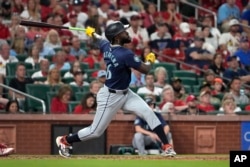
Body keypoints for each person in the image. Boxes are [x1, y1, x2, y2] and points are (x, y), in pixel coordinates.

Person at [55, 21, 176, 158]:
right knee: (95, 131)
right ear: (117, 37)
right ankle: (65, 140)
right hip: (110, 96)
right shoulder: (124, 54)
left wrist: (92, 33)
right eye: (124, 32)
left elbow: (100, 39)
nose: (127, 33)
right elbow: (145, 69)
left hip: (126, 93)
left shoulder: (107, 46)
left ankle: (167, 146)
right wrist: (150, 60)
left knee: (149, 113)